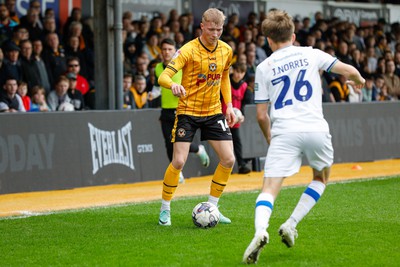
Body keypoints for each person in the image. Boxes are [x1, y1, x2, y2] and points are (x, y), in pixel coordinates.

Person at [242, 10, 365, 264]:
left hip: (285, 131)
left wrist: (270, 139)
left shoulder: (264, 68)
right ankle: (291, 223)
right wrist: (358, 79)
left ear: (268, 40)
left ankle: (260, 231)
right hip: (316, 129)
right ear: (294, 36)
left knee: (270, 188)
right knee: (320, 177)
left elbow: (262, 115)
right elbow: (348, 70)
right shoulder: (311, 53)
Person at [157, 8, 235, 226]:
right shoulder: (187, 50)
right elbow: (164, 76)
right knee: (179, 161)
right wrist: (173, 85)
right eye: (211, 29)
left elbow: (225, 77)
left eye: (219, 29)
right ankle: (165, 209)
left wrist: (228, 105)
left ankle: (213, 206)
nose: (215, 33)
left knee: (229, 159)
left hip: (213, 111)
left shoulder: (226, 50)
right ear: (202, 26)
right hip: (188, 112)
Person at [153, 38, 210, 184]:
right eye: (164, 49)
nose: (166, 52)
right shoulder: (158, 68)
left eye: (169, 49)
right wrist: (152, 94)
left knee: (181, 142)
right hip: (165, 110)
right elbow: (157, 87)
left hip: (182, 109)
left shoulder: (182, 66)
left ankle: (198, 149)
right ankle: (177, 173)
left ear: (175, 51)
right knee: (168, 143)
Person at [222, 62, 252, 174]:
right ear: (233, 70)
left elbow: (244, 103)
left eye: (242, 72)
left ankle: (241, 165)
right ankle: (226, 167)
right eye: (237, 71)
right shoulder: (225, 82)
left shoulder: (244, 86)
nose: (239, 75)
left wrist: (242, 114)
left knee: (237, 142)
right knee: (225, 143)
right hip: (223, 118)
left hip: (235, 119)